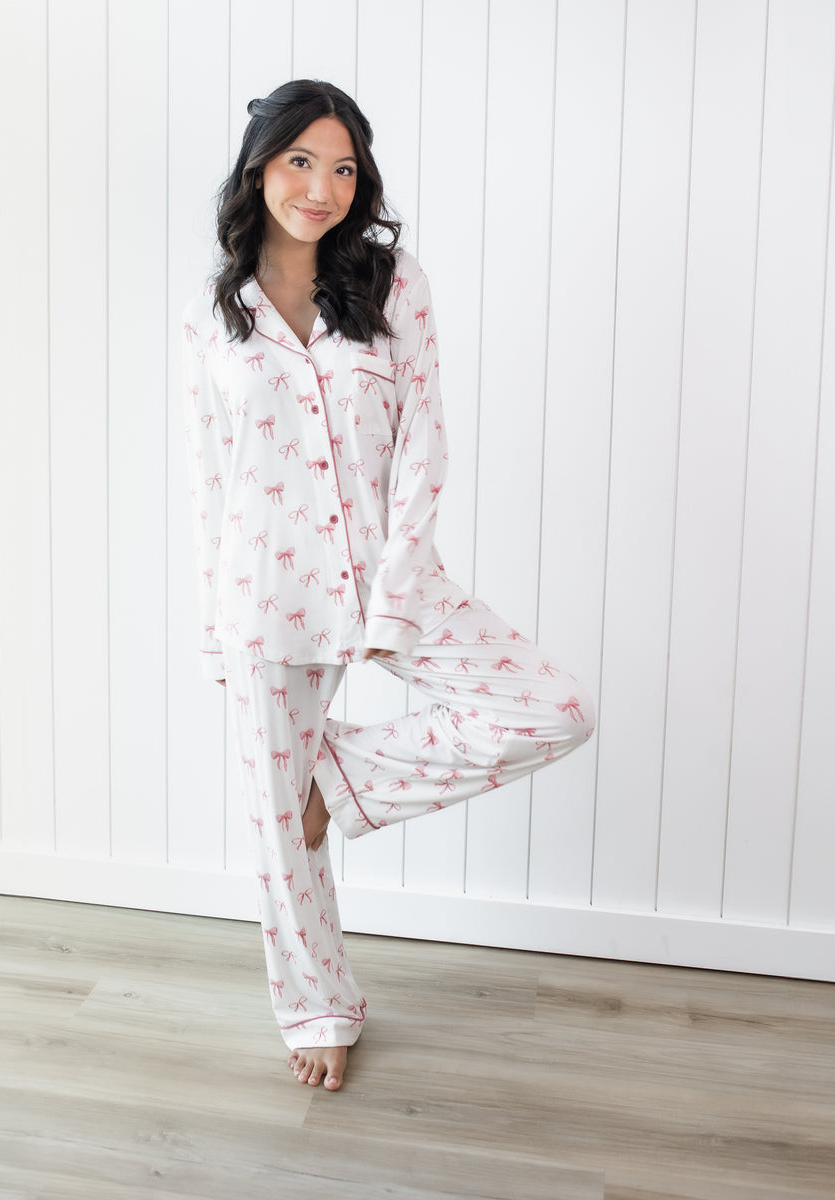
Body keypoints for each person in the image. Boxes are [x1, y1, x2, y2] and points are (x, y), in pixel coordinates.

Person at [180, 79, 595, 1092]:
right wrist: (211, 620)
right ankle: (318, 1004)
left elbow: (425, 443)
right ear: (258, 167)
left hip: (384, 577)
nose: (321, 187)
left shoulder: (391, 285)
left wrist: (400, 589)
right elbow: (209, 472)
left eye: (343, 167)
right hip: (263, 596)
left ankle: (347, 780)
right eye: (300, 162)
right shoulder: (214, 312)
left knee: (552, 707)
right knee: (282, 839)